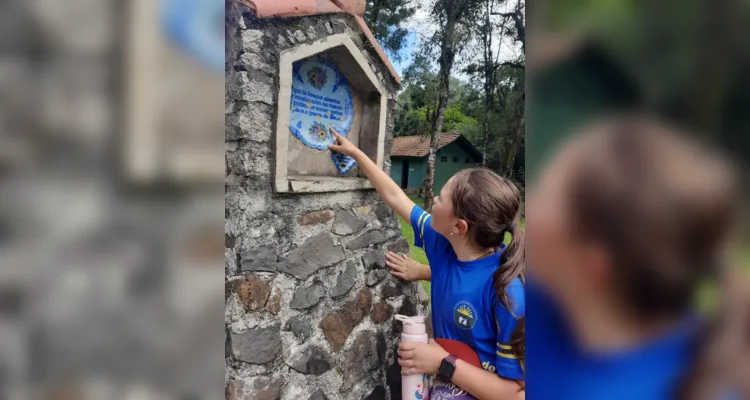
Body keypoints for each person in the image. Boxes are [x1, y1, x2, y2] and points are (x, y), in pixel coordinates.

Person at [524, 116, 748, 400]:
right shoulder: (547, 305)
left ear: (592, 265)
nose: (528, 202)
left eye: (544, 192)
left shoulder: (701, 385)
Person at [329, 130, 525, 399]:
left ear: (459, 226)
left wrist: (442, 362)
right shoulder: (443, 244)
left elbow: (515, 393)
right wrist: (356, 153)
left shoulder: (509, 292)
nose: (433, 199)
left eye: (441, 198)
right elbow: (396, 197)